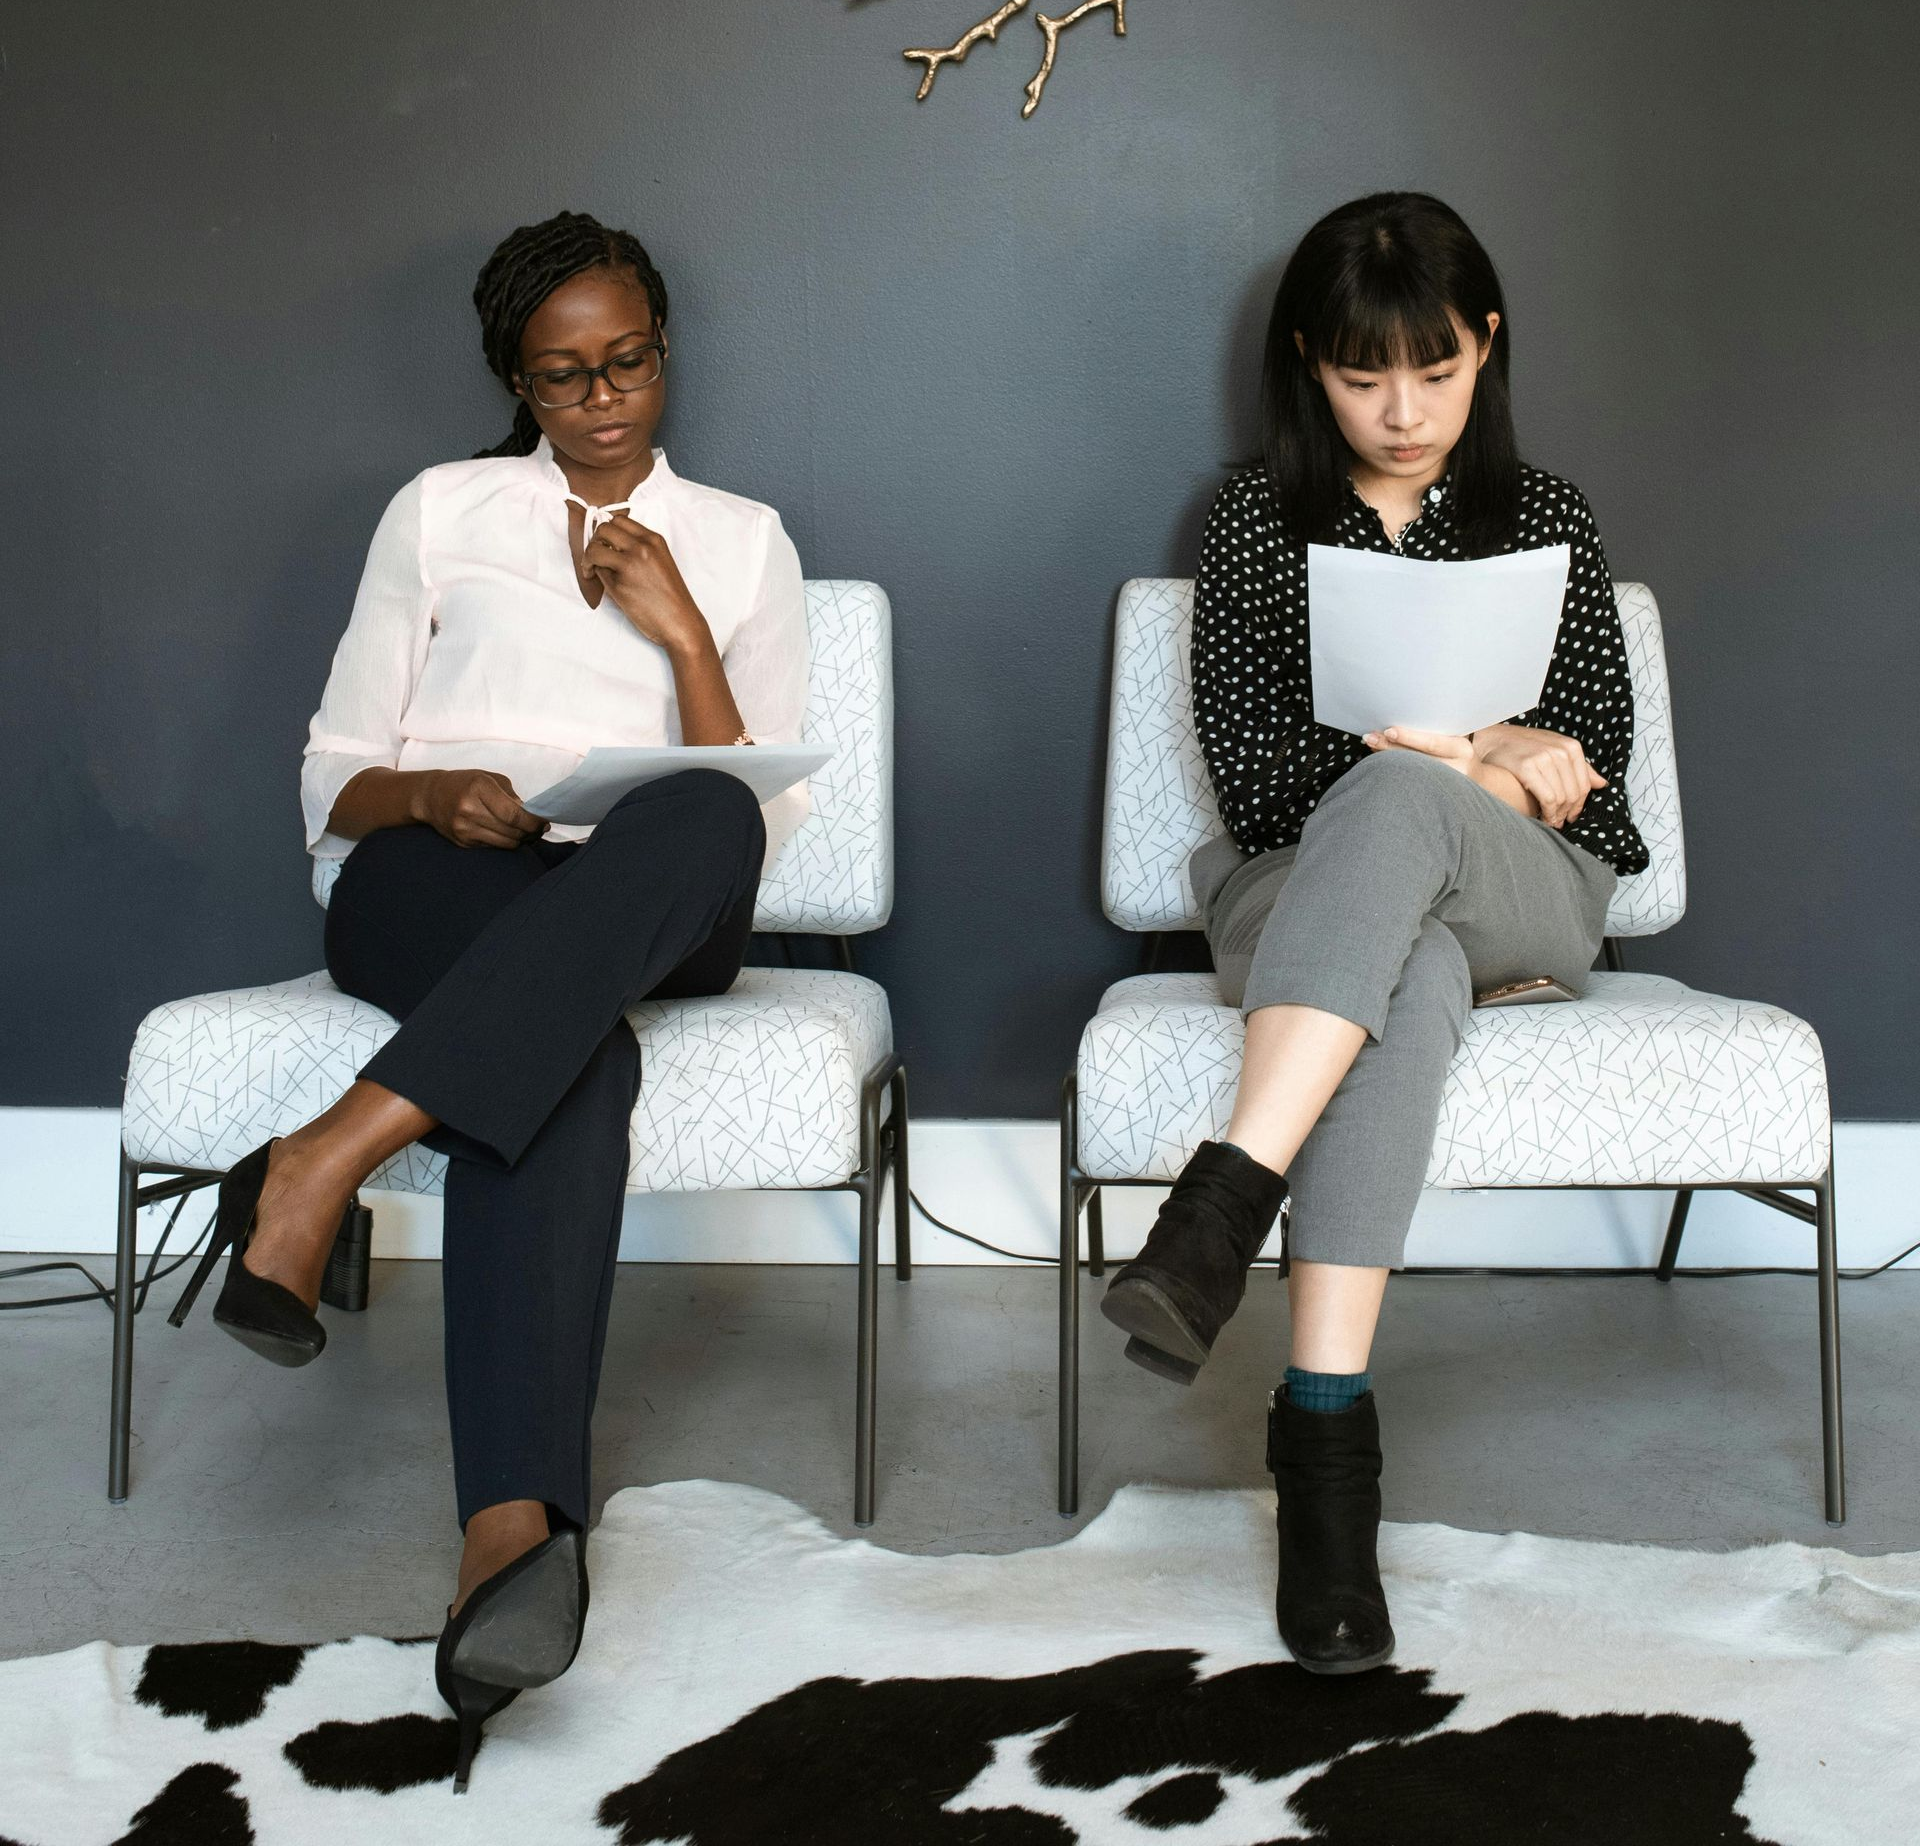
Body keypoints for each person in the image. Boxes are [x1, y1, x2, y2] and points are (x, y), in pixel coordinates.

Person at [166, 210, 810, 1789]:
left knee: (705, 814)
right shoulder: (441, 510)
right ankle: (509, 1535)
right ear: (515, 379)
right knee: (565, 1058)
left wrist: (673, 628)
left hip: (658, 889)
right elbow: (329, 769)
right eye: (561, 376)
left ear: (668, 348)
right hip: (442, 878)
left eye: (629, 363)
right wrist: (431, 787)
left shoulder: (742, 540)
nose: (601, 400)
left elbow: (766, 815)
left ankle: (315, 1161)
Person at [1100, 192, 1648, 1675]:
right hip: (1307, 890)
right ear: (1307, 364)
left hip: (1524, 885)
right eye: (1361, 377)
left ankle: (1222, 1204)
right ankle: (1326, 1467)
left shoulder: (1550, 516)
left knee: (1410, 803)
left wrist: (1466, 765)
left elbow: (1596, 771)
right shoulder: (1252, 519)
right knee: (1393, 943)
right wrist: (1470, 753)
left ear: (1487, 346)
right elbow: (1257, 772)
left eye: (1434, 371)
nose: (1402, 412)